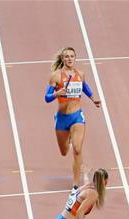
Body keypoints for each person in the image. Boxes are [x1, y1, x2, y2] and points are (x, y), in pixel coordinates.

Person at [44, 46, 101, 189]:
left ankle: (75, 185)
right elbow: (47, 98)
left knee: (77, 149)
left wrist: (93, 98)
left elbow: (84, 86)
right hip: (62, 118)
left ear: (75, 58)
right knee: (64, 152)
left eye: (72, 56)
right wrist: (58, 93)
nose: (69, 59)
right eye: (67, 56)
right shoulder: (56, 76)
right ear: (62, 59)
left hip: (77, 116)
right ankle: (64, 132)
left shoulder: (80, 74)